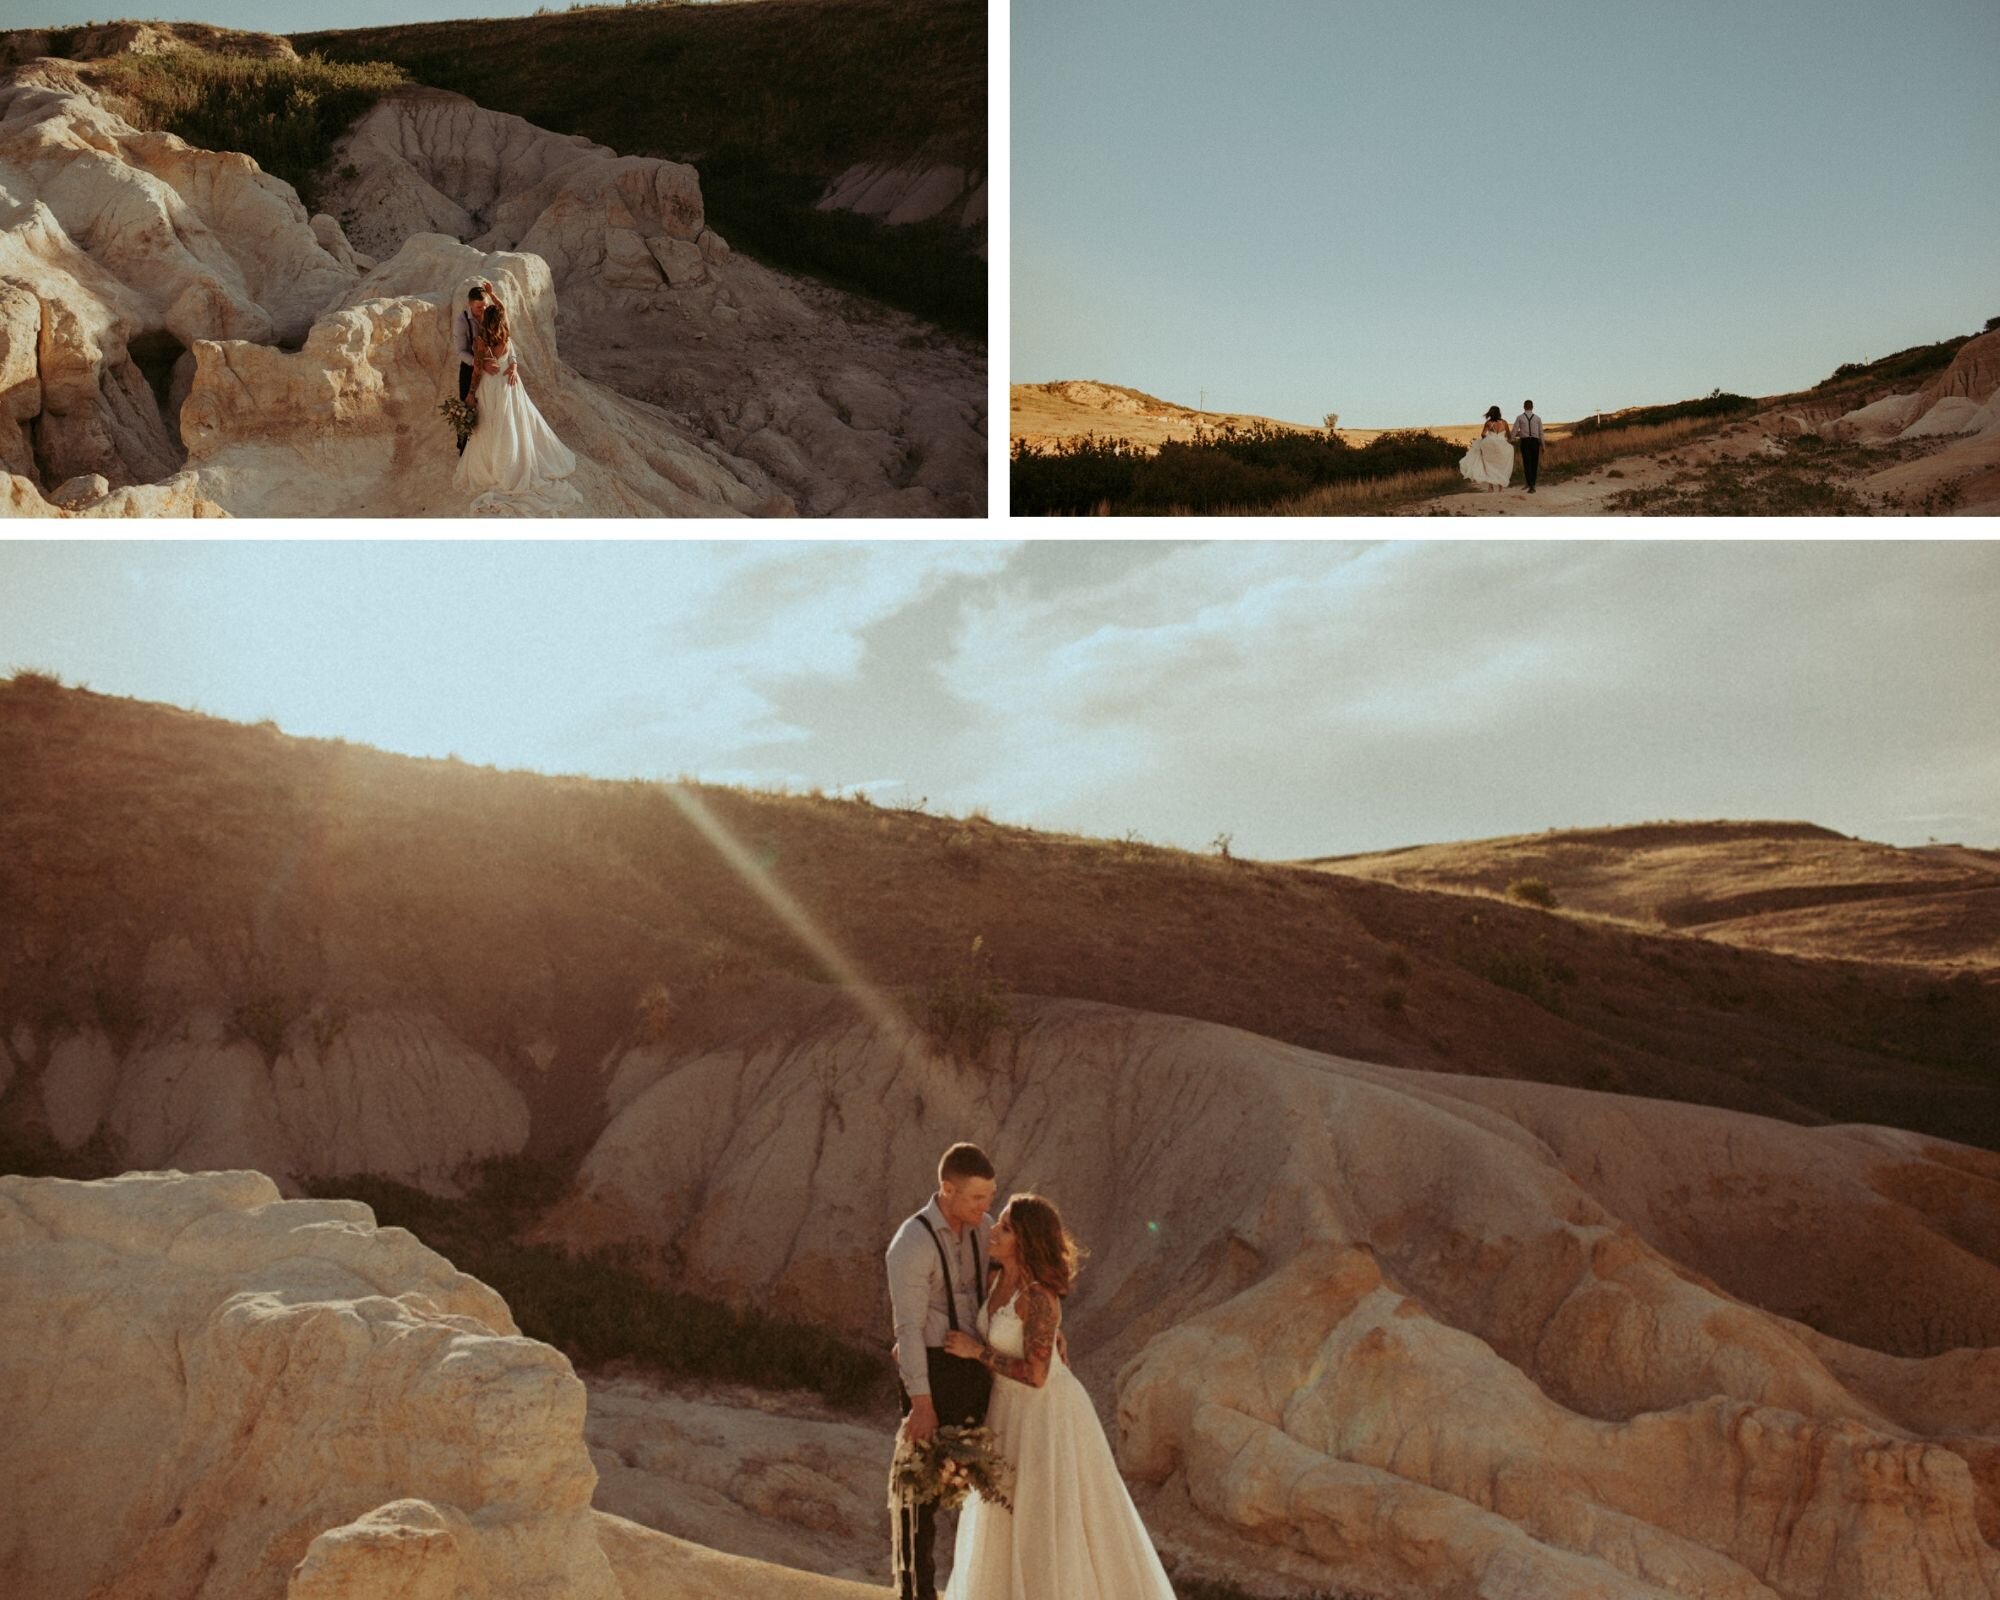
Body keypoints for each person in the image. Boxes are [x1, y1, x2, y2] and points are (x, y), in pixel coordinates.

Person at [939, 1194, 1176, 1600]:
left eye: (1006, 1227)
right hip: (1006, 1411)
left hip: (1044, 1416)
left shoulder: (1039, 1299)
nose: (993, 1229)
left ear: (1026, 1240)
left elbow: (1036, 1375)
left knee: (1043, 1522)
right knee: (1001, 1515)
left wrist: (976, 1351)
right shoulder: (996, 1277)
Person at [887, 1143, 997, 1600]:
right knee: (921, 1493)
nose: (986, 1207)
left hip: (977, 1368)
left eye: (990, 1197)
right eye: (977, 1198)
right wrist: (922, 1403)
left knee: (988, 1481)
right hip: (932, 1371)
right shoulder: (911, 1242)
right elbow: (908, 1329)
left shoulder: (985, 1229)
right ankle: (917, 1593)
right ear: (947, 1190)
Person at [451, 289, 578, 511]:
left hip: (491, 386)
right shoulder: (506, 336)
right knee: (509, 421)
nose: (480, 312)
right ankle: (513, 458)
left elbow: (478, 371)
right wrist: (494, 295)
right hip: (509, 385)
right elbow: (502, 310)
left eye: (484, 310)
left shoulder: (482, 342)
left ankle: (495, 465)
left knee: (489, 423)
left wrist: (471, 393)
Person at [450, 285, 485, 456]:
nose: (482, 310)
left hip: (486, 368)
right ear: (470, 305)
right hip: (469, 367)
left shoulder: (488, 314)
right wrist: (476, 363)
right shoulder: (461, 322)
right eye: (479, 307)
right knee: (466, 406)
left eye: (484, 306)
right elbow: (460, 351)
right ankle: (463, 447)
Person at [1457, 404, 1514, 491]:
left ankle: (1490, 486)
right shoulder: (1504, 423)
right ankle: (1500, 486)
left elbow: (1483, 434)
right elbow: (1509, 435)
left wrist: (1488, 438)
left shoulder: (1488, 423)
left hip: (1490, 445)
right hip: (1502, 445)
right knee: (1501, 465)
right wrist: (1506, 441)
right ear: (1499, 413)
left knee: (1489, 464)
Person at [1513, 399, 1545, 492]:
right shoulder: (1537, 418)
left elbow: (1514, 430)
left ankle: (1529, 484)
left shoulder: (1520, 417)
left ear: (1524, 407)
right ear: (1532, 407)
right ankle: (1532, 484)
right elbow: (1541, 433)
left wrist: (1512, 439)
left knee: (1527, 463)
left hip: (1525, 442)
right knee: (1534, 463)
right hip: (1535, 442)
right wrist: (1543, 445)